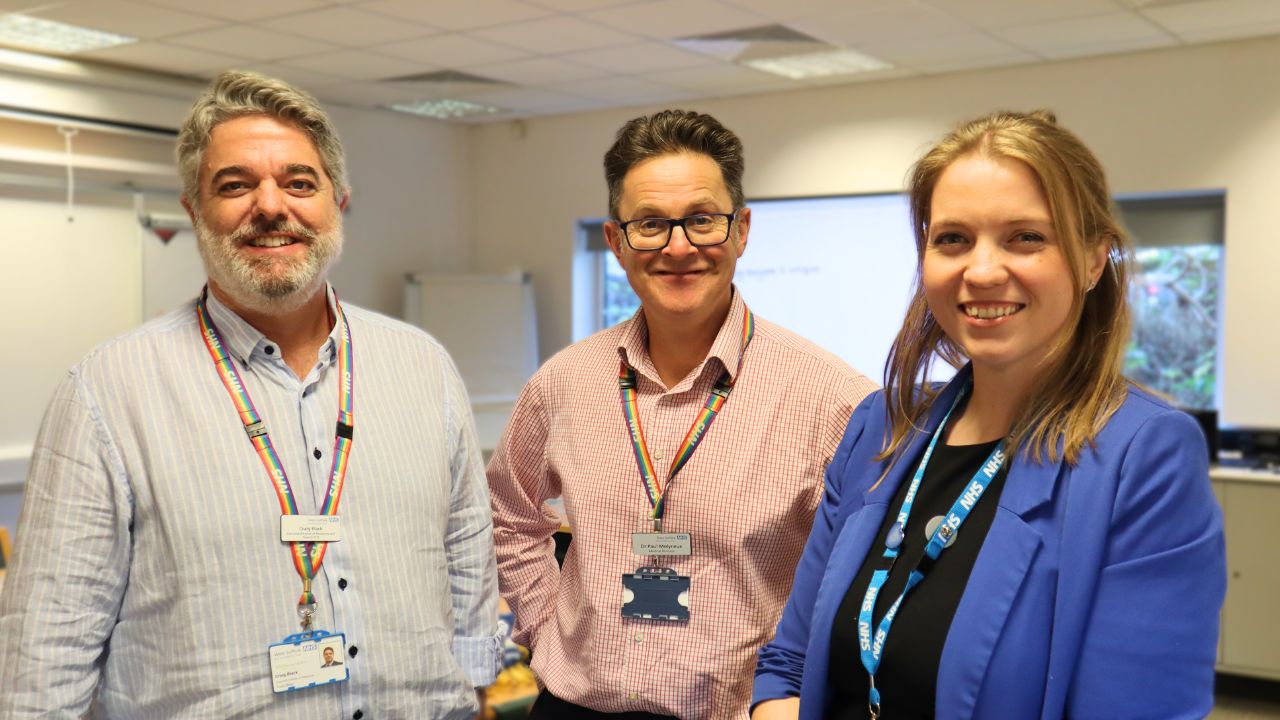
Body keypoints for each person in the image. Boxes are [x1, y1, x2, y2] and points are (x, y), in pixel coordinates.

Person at [0, 70, 500, 719]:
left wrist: (477, 684)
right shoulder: (106, 395)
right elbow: (45, 654)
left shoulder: (422, 368)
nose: (270, 206)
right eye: (235, 185)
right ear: (193, 210)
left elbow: (467, 556)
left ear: (337, 202)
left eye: (299, 182)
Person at [751, 110, 1226, 720]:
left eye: (1026, 237)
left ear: (1091, 259)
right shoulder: (884, 425)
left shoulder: (1144, 458)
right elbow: (790, 663)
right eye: (953, 239)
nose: (981, 271)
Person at [488, 109, 877, 720]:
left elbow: (861, 579)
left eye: (701, 220)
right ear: (616, 241)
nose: (678, 247)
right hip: (575, 708)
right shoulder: (564, 382)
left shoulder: (834, 400)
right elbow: (508, 515)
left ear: (742, 230)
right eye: (651, 224)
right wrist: (547, 634)